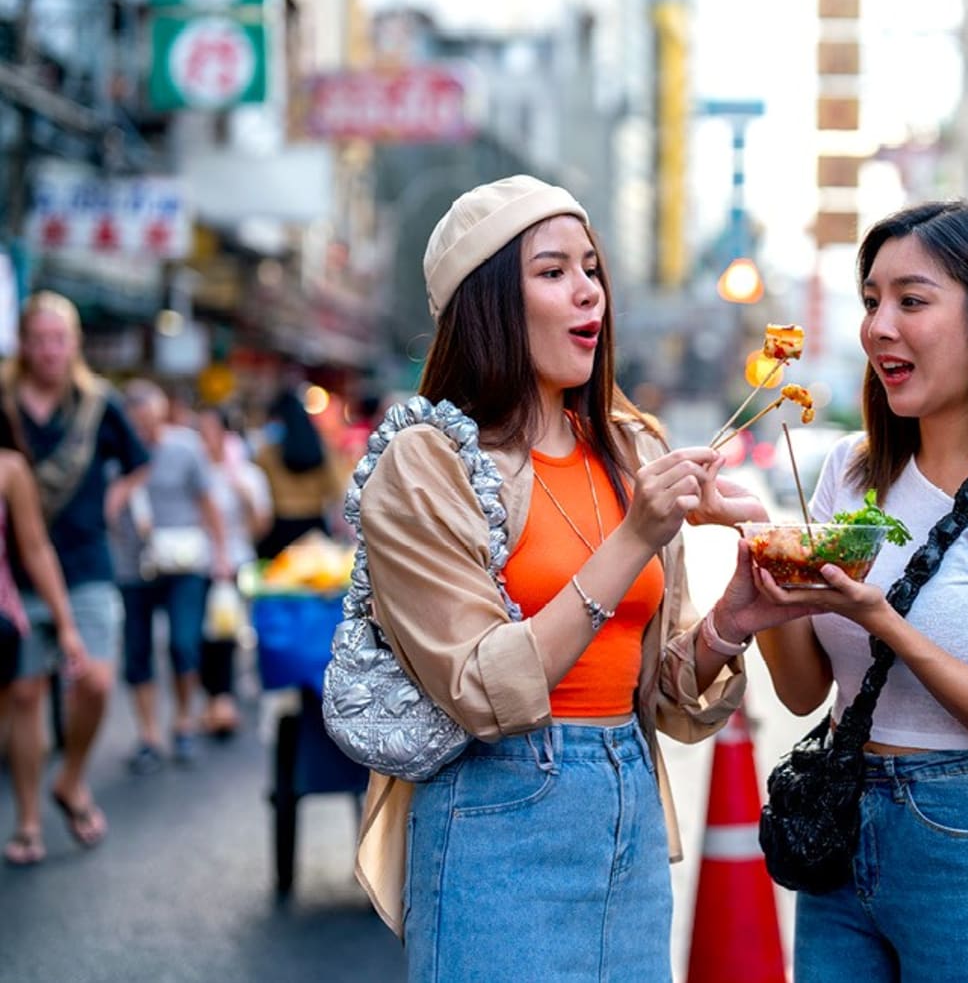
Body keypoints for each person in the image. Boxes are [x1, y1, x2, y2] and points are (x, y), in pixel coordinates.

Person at [354, 175, 777, 980]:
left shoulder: (629, 449)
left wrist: (734, 618)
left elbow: (665, 701)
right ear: (488, 306)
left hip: (628, 805)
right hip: (498, 811)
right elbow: (482, 689)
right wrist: (633, 537)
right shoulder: (428, 462)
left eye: (592, 269)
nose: (588, 292)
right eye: (553, 272)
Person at [736, 202, 968, 981]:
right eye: (870, 302)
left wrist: (884, 622)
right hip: (840, 818)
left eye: (912, 299)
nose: (879, 326)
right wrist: (766, 582)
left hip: (964, 838)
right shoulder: (853, 473)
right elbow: (805, 692)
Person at [1, 292, 148, 858]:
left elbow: (139, 462)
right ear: (23, 344)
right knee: (25, 693)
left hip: (86, 563)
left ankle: (72, 776)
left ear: (74, 344)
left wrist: (112, 499)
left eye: (58, 339)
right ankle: (28, 822)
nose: (48, 350)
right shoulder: (6, 402)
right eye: (37, 339)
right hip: (18, 571)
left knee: (95, 680)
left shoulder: (96, 404)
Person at [113, 381, 231, 770]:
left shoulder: (184, 447)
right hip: (133, 565)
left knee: (184, 643)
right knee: (138, 652)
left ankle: (183, 720)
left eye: (149, 420)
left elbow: (207, 501)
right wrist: (133, 477)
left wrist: (221, 555)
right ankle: (148, 734)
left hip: (184, 562)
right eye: (137, 423)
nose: (144, 430)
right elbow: (107, 511)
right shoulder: (115, 455)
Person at [0, 399, 90, 866]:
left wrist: (67, 626)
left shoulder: (10, 468)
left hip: (5, 616)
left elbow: (36, 548)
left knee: (25, 702)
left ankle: (28, 822)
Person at [195, 407, 271, 738]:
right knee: (196, 637)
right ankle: (214, 700)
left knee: (226, 634)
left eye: (210, 430)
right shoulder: (194, 473)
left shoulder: (249, 475)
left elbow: (260, 527)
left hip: (237, 563)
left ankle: (222, 701)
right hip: (196, 563)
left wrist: (242, 493)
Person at [254, 387, 345, 560]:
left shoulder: (268, 452)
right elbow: (337, 489)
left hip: (279, 529)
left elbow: (259, 490)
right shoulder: (321, 448)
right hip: (314, 528)